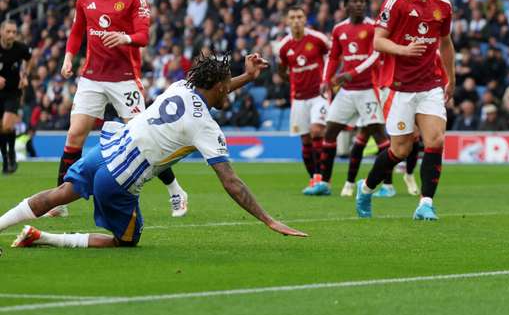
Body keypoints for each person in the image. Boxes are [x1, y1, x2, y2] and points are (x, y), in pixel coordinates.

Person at [0, 52, 306, 249]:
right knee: (126, 241)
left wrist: (248, 77)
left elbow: (215, 89)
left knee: (57, 195)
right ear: (220, 86)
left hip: (104, 151)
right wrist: (268, 219)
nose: (230, 89)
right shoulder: (205, 126)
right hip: (119, 179)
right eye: (228, 84)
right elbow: (231, 182)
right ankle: (46, 238)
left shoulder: (180, 86)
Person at [55, 0, 188, 218]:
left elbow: (143, 36)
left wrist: (125, 38)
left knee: (145, 138)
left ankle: (175, 189)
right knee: (74, 134)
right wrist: (69, 57)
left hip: (125, 79)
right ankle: (58, 200)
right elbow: (77, 31)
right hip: (92, 77)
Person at [356, 0, 455, 221]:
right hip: (399, 87)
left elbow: (446, 44)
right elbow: (378, 41)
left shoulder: (443, 6)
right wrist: (402, 49)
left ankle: (425, 203)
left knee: (435, 139)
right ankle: (365, 190)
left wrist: (451, 78)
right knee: (401, 149)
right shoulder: (396, 2)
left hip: (430, 86)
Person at [317, 0, 413, 198]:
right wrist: (326, 80)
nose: (359, 4)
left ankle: (388, 186)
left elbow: (376, 54)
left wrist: (352, 72)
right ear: (345, 6)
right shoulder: (339, 29)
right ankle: (324, 182)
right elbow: (333, 57)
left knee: (380, 136)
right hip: (347, 91)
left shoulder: (373, 27)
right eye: (354, 1)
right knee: (330, 132)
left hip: (369, 88)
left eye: (362, 1)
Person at [276, 5, 331, 195]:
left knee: (317, 131)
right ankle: (314, 178)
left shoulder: (318, 39)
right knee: (305, 140)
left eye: (300, 16)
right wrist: (292, 79)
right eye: (292, 17)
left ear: (305, 19)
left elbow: (333, 56)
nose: (296, 20)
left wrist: (328, 79)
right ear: (287, 21)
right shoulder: (284, 46)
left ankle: (323, 178)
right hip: (298, 98)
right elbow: (281, 69)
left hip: (319, 96)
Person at [0, 20, 31, 174]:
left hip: (13, 92)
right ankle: (6, 160)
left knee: (6, 125)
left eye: (14, 32)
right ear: (1, 32)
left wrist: (25, 75)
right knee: (1, 128)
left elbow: (29, 59)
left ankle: (11, 154)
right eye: (8, 32)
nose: (11, 35)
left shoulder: (20, 48)